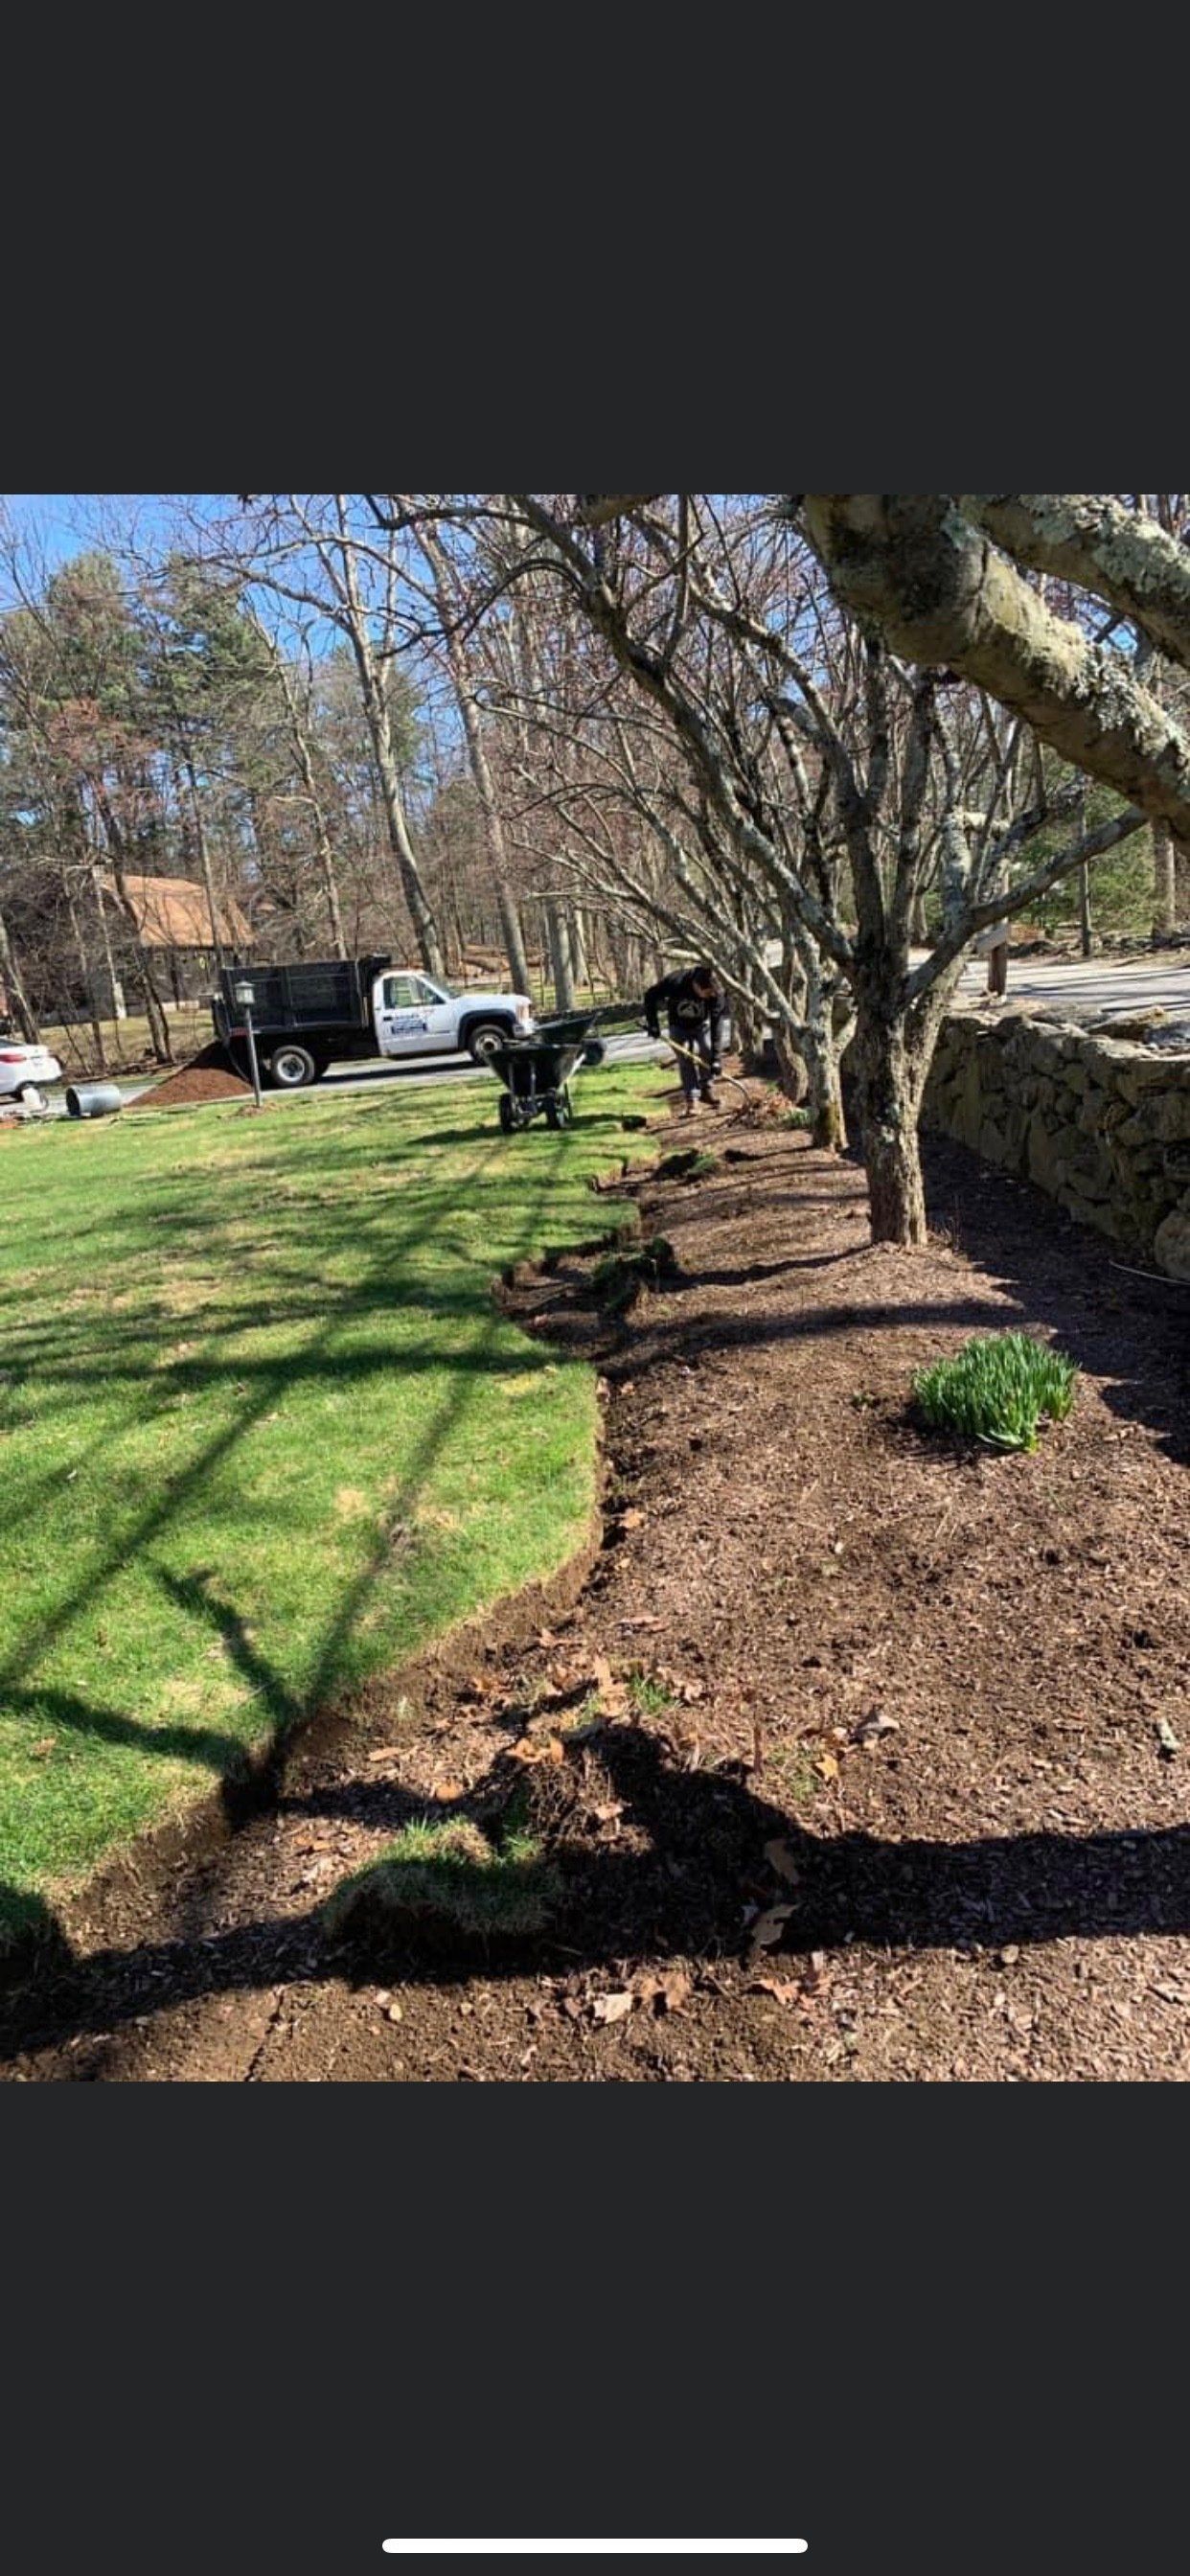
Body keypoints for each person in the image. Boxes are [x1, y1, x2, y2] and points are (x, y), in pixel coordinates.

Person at [644, 960, 727, 1115]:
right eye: (707, 993)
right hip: (678, 1026)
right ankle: (692, 1100)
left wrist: (716, 1059)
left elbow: (717, 1025)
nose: (710, 996)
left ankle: (706, 1090)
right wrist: (653, 1025)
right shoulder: (676, 981)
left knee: (707, 1048)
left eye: (712, 994)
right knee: (684, 1056)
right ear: (696, 986)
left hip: (701, 1025)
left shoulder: (716, 993)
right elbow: (650, 996)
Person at [974, 917, 1010, 1000]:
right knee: (992, 957)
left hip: (1001, 920)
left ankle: (1001, 990)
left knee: (1000, 956)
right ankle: (992, 987)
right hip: (991, 916)